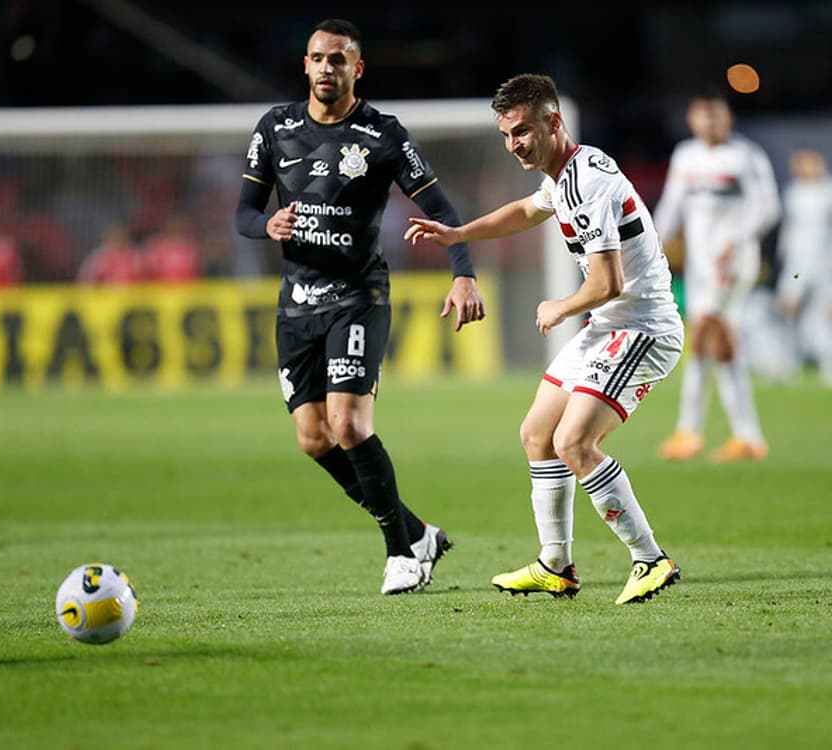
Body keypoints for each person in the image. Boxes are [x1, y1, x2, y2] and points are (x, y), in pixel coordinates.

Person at [406, 74, 682, 605]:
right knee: (537, 433)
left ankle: (650, 558)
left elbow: (608, 284)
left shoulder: (587, 185)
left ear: (554, 123)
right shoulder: (567, 174)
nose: (515, 146)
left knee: (574, 443)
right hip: (609, 327)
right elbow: (528, 211)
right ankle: (555, 565)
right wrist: (459, 234)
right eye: (507, 136)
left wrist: (560, 307)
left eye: (524, 132)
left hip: (642, 328)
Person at [234, 19, 486, 595]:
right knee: (313, 438)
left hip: (358, 297)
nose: (327, 68)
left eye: (339, 60)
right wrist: (265, 224)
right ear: (305, 65)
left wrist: (464, 274)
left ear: (357, 69)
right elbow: (244, 213)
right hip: (296, 303)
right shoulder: (275, 128)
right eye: (318, 58)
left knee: (348, 424)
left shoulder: (383, 134)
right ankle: (417, 531)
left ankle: (400, 554)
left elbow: (444, 209)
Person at [653, 93, 781, 463]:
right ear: (692, 120)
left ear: (728, 118)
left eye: (716, 117)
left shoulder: (746, 156)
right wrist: (655, 243)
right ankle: (741, 435)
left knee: (708, 336)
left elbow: (769, 206)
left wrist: (737, 240)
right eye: (702, 117)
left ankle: (694, 431)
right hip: (700, 265)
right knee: (716, 345)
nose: (710, 124)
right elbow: (672, 205)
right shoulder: (685, 156)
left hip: (732, 261)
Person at [774, 147, 832, 388]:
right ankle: (789, 364)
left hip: (829, 262)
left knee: (831, 314)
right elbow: (790, 228)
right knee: (788, 309)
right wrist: (783, 254)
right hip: (797, 263)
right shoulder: (793, 193)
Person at [77, 223, 144, 285]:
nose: (118, 240)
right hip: (106, 296)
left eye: (120, 237)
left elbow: (143, 279)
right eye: (114, 237)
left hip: (132, 295)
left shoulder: (133, 258)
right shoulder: (99, 259)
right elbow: (86, 282)